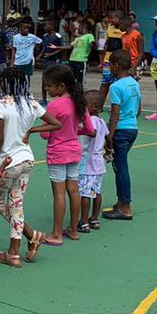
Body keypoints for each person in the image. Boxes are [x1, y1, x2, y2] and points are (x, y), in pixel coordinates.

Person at [0, 67, 56, 266]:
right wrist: (33, 129)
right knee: (16, 204)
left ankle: (30, 234)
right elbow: (55, 123)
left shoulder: (2, 103)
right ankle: (14, 252)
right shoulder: (31, 102)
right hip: (27, 160)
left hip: (8, 162)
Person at [40, 63, 94, 245]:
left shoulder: (55, 106)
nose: (46, 89)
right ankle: (73, 228)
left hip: (58, 152)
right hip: (74, 151)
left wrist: (60, 131)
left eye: (49, 86)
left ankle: (56, 233)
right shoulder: (79, 102)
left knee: (59, 193)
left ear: (61, 86)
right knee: (74, 189)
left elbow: (45, 133)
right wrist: (72, 132)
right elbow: (89, 129)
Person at [102, 50, 140, 221]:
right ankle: (121, 202)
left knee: (120, 168)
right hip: (132, 129)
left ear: (116, 65)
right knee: (121, 166)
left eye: (110, 64)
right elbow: (138, 109)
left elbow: (115, 114)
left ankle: (125, 206)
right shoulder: (134, 83)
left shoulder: (116, 86)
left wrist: (109, 134)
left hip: (121, 131)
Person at [76, 90, 109, 232]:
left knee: (85, 193)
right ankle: (94, 218)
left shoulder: (91, 122)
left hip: (87, 163)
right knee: (96, 192)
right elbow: (108, 137)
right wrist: (109, 150)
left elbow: (90, 132)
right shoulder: (102, 121)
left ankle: (83, 221)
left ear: (94, 107)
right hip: (98, 163)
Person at [67, 19, 94, 87]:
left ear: (84, 27)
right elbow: (69, 46)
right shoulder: (78, 38)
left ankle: (80, 95)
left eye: (79, 27)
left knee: (80, 80)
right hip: (72, 59)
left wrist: (90, 47)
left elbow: (92, 44)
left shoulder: (89, 36)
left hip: (81, 60)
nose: (77, 28)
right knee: (71, 79)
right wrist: (56, 47)